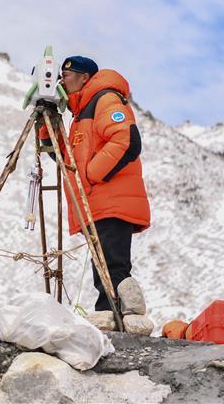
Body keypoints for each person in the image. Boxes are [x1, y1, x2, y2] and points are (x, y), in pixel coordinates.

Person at [39, 55, 151, 312]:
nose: (61, 82)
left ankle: (116, 322)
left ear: (84, 77)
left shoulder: (105, 99)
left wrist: (91, 174)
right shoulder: (81, 116)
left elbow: (126, 140)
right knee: (104, 267)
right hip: (98, 202)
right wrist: (47, 124)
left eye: (65, 76)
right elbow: (65, 158)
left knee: (112, 267)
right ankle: (111, 318)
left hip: (111, 201)